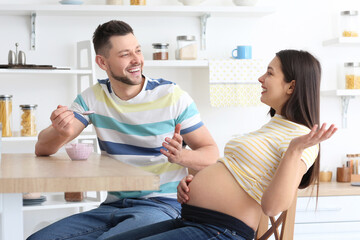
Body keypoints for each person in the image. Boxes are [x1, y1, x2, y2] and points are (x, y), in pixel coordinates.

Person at [103, 49, 338, 240]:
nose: (261, 79)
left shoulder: (304, 140)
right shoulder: (273, 126)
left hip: (222, 231)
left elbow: (272, 206)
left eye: (270, 73)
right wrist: (192, 179)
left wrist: (294, 150)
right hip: (194, 220)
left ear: (291, 86)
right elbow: (239, 174)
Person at [28, 20, 219, 240]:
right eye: (125, 54)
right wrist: (59, 130)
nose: (136, 59)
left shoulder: (172, 97)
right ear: (102, 62)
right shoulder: (93, 97)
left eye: (138, 51)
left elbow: (212, 154)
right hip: (113, 206)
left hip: (161, 206)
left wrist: (182, 156)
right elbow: (42, 148)